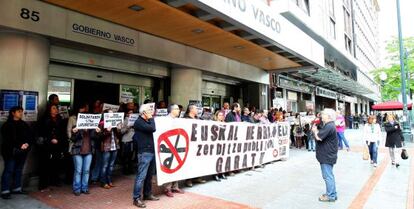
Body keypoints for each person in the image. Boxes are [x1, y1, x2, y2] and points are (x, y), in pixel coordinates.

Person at [1, 106, 33, 199]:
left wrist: (27, 144)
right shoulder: (7, 125)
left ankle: (17, 188)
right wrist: (20, 145)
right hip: (10, 152)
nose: (21, 113)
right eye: (19, 111)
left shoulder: (23, 124)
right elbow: (8, 139)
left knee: (19, 169)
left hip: (22, 151)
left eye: (21, 111)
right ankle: (5, 190)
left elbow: (30, 135)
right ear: (13, 113)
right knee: (9, 170)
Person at [69, 103, 101, 196]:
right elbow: (73, 139)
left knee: (86, 170)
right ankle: (77, 189)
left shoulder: (92, 127)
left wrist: (97, 132)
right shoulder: (76, 127)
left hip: (89, 151)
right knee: (78, 170)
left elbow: (96, 138)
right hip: (78, 151)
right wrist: (75, 131)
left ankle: (85, 188)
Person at [132, 104, 159, 208]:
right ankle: (136, 198)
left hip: (150, 150)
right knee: (141, 176)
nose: (151, 112)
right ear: (143, 113)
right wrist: (151, 119)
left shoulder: (146, 121)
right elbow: (153, 128)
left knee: (149, 176)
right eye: (149, 111)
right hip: (144, 152)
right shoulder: (138, 122)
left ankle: (147, 194)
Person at [38, 104, 67, 191]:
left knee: (56, 163)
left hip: (57, 145)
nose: (56, 110)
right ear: (49, 110)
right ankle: (43, 184)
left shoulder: (60, 119)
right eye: (54, 108)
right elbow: (41, 133)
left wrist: (59, 140)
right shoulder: (44, 120)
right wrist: (50, 139)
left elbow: (63, 132)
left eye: (56, 108)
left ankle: (54, 180)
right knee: (45, 165)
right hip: (46, 146)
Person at [312, 108, 338, 202]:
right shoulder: (329, 125)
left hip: (327, 155)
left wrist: (315, 130)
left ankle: (330, 195)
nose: (322, 116)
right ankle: (332, 193)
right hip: (328, 154)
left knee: (328, 176)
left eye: (323, 114)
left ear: (328, 116)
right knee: (329, 175)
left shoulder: (329, 126)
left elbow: (319, 137)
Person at [163, 104, 185, 197]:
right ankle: (167, 188)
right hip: (168, 146)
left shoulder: (178, 119)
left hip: (177, 144)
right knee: (169, 167)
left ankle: (175, 186)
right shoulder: (165, 120)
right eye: (177, 109)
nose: (179, 110)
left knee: (176, 166)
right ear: (171, 110)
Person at [184, 105, 207, 187]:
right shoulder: (185, 119)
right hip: (190, 143)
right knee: (190, 162)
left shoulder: (198, 119)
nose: (197, 110)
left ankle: (197, 177)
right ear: (191, 110)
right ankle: (188, 180)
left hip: (198, 144)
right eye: (196, 108)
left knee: (197, 161)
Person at [99, 110, 121, 189]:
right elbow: (99, 137)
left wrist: (118, 129)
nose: (112, 115)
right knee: (105, 165)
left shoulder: (114, 123)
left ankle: (109, 181)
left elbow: (118, 135)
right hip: (106, 147)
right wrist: (107, 131)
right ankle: (103, 182)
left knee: (111, 166)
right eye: (110, 114)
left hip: (114, 146)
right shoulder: (102, 124)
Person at [213, 110, 228, 181]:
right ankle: (215, 174)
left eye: (222, 115)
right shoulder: (214, 123)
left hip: (223, 143)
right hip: (216, 144)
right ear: (216, 116)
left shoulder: (225, 124)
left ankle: (222, 173)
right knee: (216, 159)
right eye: (219, 115)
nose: (221, 116)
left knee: (223, 158)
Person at [120, 109, 135, 175]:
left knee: (131, 156)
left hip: (132, 140)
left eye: (132, 113)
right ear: (127, 114)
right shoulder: (124, 121)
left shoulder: (134, 120)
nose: (131, 114)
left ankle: (130, 169)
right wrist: (128, 127)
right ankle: (125, 170)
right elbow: (121, 131)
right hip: (126, 141)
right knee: (126, 156)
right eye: (130, 113)